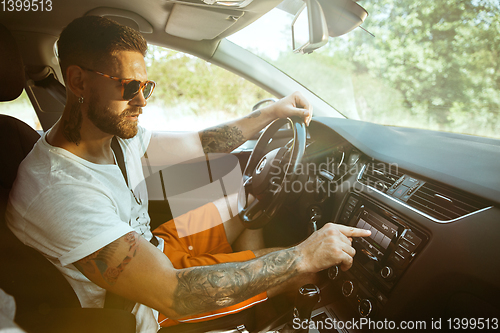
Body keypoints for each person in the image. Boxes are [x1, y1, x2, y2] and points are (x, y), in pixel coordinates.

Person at [6, 16, 371, 333]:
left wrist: (270, 113)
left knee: (245, 200)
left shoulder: (112, 136)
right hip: (143, 304)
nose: (142, 101)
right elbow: (173, 294)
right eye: (129, 87)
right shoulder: (59, 191)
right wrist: (300, 257)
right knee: (306, 271)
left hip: (155, 247)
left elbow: (202, 142)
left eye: (146, 86)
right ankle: (256, 310)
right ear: (78, 82)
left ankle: (256, 304)